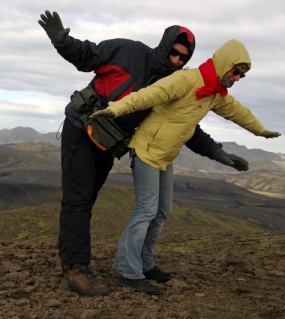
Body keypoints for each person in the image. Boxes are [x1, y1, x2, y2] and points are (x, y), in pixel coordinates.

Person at [38, 10, 250, 297]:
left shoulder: (174, 86)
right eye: (174, 53)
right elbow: (87, 55)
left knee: (87, 200)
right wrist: (62, 42)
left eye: (183, 58)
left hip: (108, 144)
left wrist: (217, 152)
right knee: (78, 200)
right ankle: (76, 269)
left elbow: (185, 126)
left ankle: (93, 260)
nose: (176, 61)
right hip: (81, 128)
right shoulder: (127, 51)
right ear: (165, 46)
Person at [90, 39, 281, 295]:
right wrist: (115, 109)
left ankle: (145, 264)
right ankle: (127, 270)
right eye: (235, 71)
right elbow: (148, 95)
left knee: (162, 212)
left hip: (166, 156)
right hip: (146, 150)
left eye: (241, 76)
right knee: (146, 211)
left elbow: (238, 112)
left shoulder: (215, 94)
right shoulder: (185, 80)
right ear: (224, 64)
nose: (236, 78)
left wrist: (260, 131)